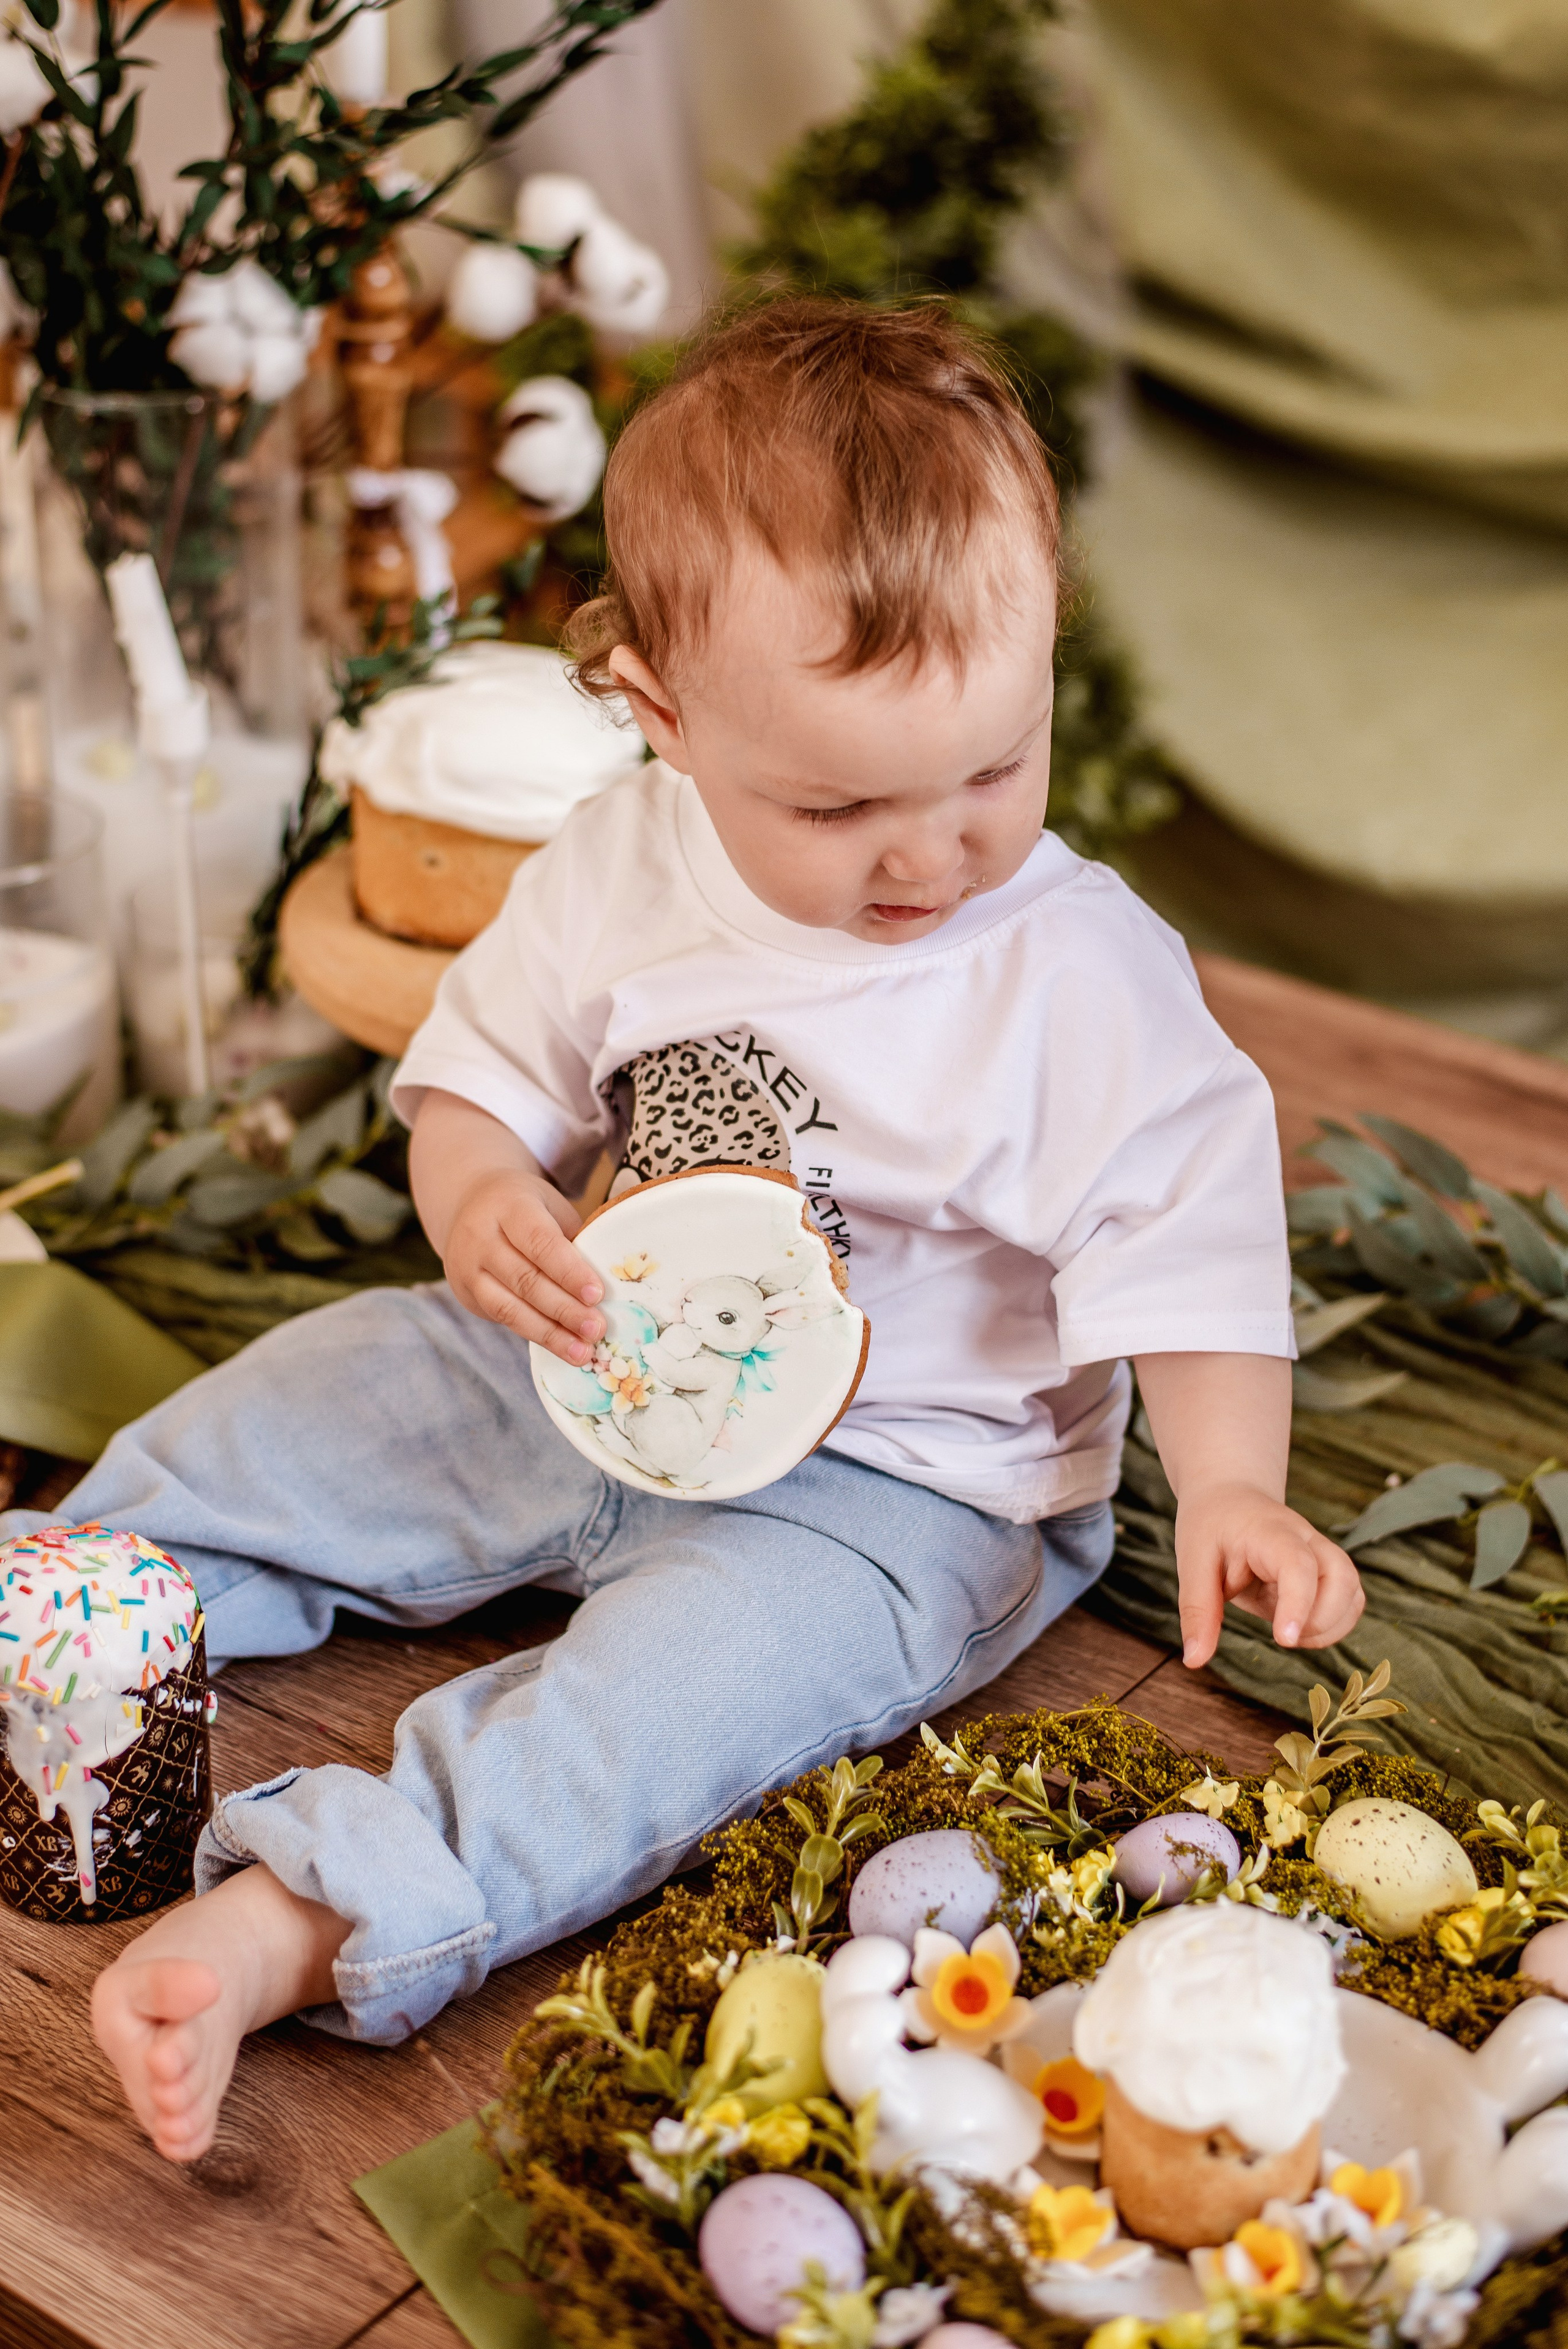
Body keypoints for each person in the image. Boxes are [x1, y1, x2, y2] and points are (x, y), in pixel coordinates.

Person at [47, 299, 1362, 2162]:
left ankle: (313, 1914)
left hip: (898, 1491)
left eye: (994, 769)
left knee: (655, 1723)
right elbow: (479, 1078)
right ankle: (71, 1612)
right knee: (306, 1404)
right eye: (837, 801)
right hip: (579, 1353)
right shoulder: (622, 860)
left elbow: (1197, 1237)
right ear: (658, 715)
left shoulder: (1083, 977)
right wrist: (486, 1194)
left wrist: (1231, 1480)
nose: (929, 855)